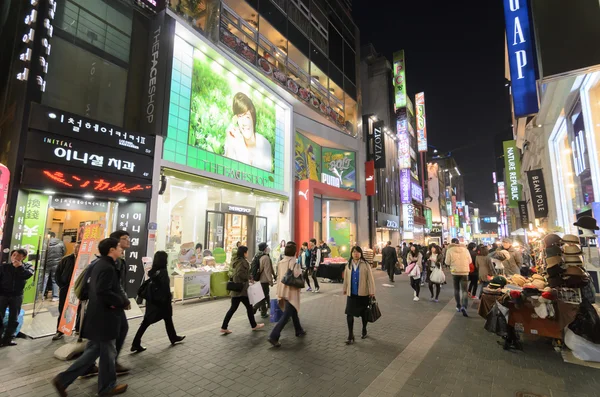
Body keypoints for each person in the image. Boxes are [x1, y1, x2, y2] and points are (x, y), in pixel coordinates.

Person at [51, 238, 129, 397]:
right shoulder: (107, 267)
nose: (121, 249)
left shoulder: (98, 264)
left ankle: (62, 380)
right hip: (105, 317)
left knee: (92, 352)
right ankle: (107, 387)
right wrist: (121, 301)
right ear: (111, 250)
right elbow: (103, 291)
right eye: (118, 247)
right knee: (108, 353)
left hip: (96, 315)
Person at [131, 251, 185, 352]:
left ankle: (173, 337)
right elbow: (164, 288)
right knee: (147, 322)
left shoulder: (154, 271)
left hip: (153, 301)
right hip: (161, 302)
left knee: (167, 319)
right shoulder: (163, 271)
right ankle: (135, 343)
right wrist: (168, 297)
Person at [268, 242, 306, 347]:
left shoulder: (281, 262)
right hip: (291, 291)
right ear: (295, 252)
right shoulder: (294, 262)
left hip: (282, 290)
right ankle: (273, 336)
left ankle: (299, 330)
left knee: (292, 311)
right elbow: (297, 278)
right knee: (286, 315)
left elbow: (279, 277)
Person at [220, 246, 265, 334]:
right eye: (247, 252)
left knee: (236, 308)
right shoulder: (243, 262)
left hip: (237, 290)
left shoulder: (236, 261)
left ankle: (224, 327)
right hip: (241, 290)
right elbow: (239, 274)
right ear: (244, 253)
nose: (247, 253)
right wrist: (247, 278)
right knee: (247, 307)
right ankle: (253, 325)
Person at [224, 92, 272, 172]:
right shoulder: (233, 140)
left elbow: (266, 179)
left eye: (247, 117)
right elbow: (224, 172)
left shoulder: (265, 144)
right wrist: (231, 145)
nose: (244, 123)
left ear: (253, 118)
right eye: (240, 117)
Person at [108, 230, 132, 375]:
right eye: (125, 238)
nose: (128, 241)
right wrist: (123, 300)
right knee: (120, 330)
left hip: (114, 302)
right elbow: (116, 284)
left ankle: (88, 365)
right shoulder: (113, 260)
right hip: (111, 303)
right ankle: (111, 364)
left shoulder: (120, 259)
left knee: (100, 340)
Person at [0, 249, 33, 347]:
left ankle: (8, 339)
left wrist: (19, 267)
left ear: (23, 257)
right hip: (3, 295)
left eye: (18, 255)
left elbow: (27, 275)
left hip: (16, 296)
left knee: (14, 318)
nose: (15, 257)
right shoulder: (4, 267)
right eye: (13, 255)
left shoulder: (27, 267)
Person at [342, 246, 375, 344]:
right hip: (351, 294)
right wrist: (344, 289)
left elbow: (370, 279)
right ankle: (350, 335)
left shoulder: (365, 264)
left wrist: (371, 291)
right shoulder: (348, 265)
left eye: (358, 252)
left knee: (364, 314)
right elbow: (346, 279)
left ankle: (364, 328)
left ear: (360, 254)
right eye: (354, 252)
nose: (356, 254)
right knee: (349, 313)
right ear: (351, 253)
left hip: (363, 293)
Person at [53, 241, 80, 341]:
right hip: (66, 288)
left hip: (79, 289)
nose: (77, 249)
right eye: (76, 247)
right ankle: (60, 330)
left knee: (81, 310)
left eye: (80, 247)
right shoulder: (66, 259)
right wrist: (62, 286)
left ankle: (78, 329)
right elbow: (57, 274)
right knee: (63, 309)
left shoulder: (86, 260)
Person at [444, 238, 471, 317]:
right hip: (465, 271)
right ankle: (464, 306)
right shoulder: (465, 250)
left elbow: (447, 262)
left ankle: (458, 306)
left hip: (455, 272)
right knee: (465, 290)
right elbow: (470, 261)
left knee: (456, 289)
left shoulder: (450, 250)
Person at [254, 242, 275, 319]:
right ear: (264, 248)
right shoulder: (265, 257)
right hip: (264, 280)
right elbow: (267, 271)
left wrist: (274, 275)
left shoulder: (258, 256)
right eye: (267, 247)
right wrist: (271, 281)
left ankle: (263, 312)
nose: (268, 248)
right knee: (264, 296)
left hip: (259, 280)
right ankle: (255, 308)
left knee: (263, 296)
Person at [45, 231, 66, 301]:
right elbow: (64, 252)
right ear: (54, 236)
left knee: (44, 279)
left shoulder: (45, 242)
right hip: (57, 263)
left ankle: (41, 295)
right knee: (55, 279)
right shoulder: (60, 242)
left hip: (46, 263)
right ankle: (55, 296)